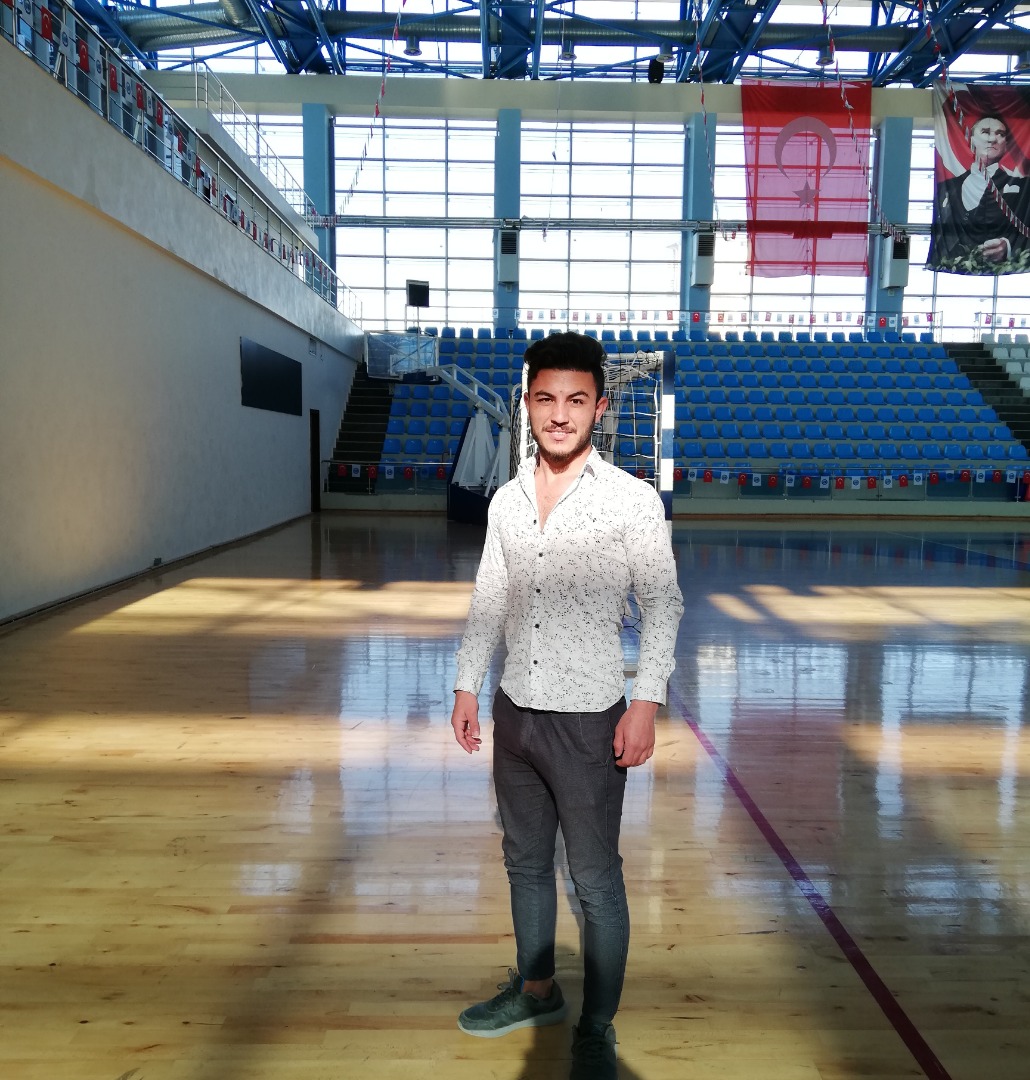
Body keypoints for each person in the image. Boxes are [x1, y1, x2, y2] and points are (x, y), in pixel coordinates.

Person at [449, 331, 684, 1080]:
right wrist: (466, 683)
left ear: (599, 408)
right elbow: (489, 596)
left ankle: (597, 1028)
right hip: (515, 712)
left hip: (589, 720)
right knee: (524, 863)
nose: (559, 414)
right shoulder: (508, 500)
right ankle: (537, 992)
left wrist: (645, 702)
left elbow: (663, 605)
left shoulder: (631, 501)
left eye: (576, 400)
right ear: (527, 403)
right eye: (546, 399)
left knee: (594, 878)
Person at [928, 114, 1030, 273]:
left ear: (1006, 145)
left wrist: (1009, 246)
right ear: (972, 140)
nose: (992, 139)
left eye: (1000, 134)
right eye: (985, 132)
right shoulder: (945, 189)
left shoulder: (1024, 188)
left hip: (1005, 271)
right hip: (953, 270)